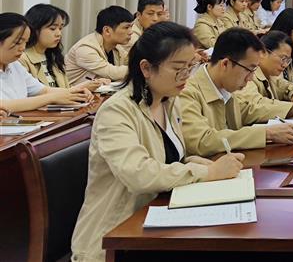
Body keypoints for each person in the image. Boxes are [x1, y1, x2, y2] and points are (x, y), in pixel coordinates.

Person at [70, 22, 244, 262]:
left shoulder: (169, 101)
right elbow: (139, 174)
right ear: (146, 68)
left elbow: (167, 157)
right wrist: (208, 172)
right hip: (115, 239)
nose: (186, 76)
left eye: (190, 67)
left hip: (156, 222)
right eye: (178, 68)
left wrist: (192, 162)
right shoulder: (117, 111)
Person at [179, 28, 293, 156]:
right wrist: (266, 134)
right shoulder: (187, 93)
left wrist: (290, 109)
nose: (250, 78)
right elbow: (202, 141)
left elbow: (247, 110)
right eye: (249, 70)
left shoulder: (225, 86)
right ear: (225, 64)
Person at [0, 13, 94, 113]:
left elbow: (43, 90)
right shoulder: (22, 60)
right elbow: (3, 105)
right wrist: (52, 98)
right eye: (18, 42)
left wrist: (76, 92)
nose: (23, 48)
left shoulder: (15, 65)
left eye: (25, 42)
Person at [23, 3, 106, 90]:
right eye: (53, 28)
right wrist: (80, 88)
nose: (59, 34)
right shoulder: (22, 59)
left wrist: (85, 88)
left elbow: (65, 89)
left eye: (60, 28)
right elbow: (31, 94)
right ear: (34, 28)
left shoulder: (54, 57)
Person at [235, 30, 293, 116]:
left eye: (288, 60)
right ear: (263, 53)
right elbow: (254, 105)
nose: (285, 65)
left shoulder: (270, 75)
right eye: (283, 58)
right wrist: (291, 108)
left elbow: (287, 86)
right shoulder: (249, 75)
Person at [65, 6, 134, 85]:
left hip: (100, 91)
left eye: (131, 27)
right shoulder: (85, 48)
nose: (131, 32)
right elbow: (112, 73)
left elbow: (130, 61)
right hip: (74, 91)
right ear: (107, 30)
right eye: (126, 27)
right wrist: (139, 68)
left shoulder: (116, 46)